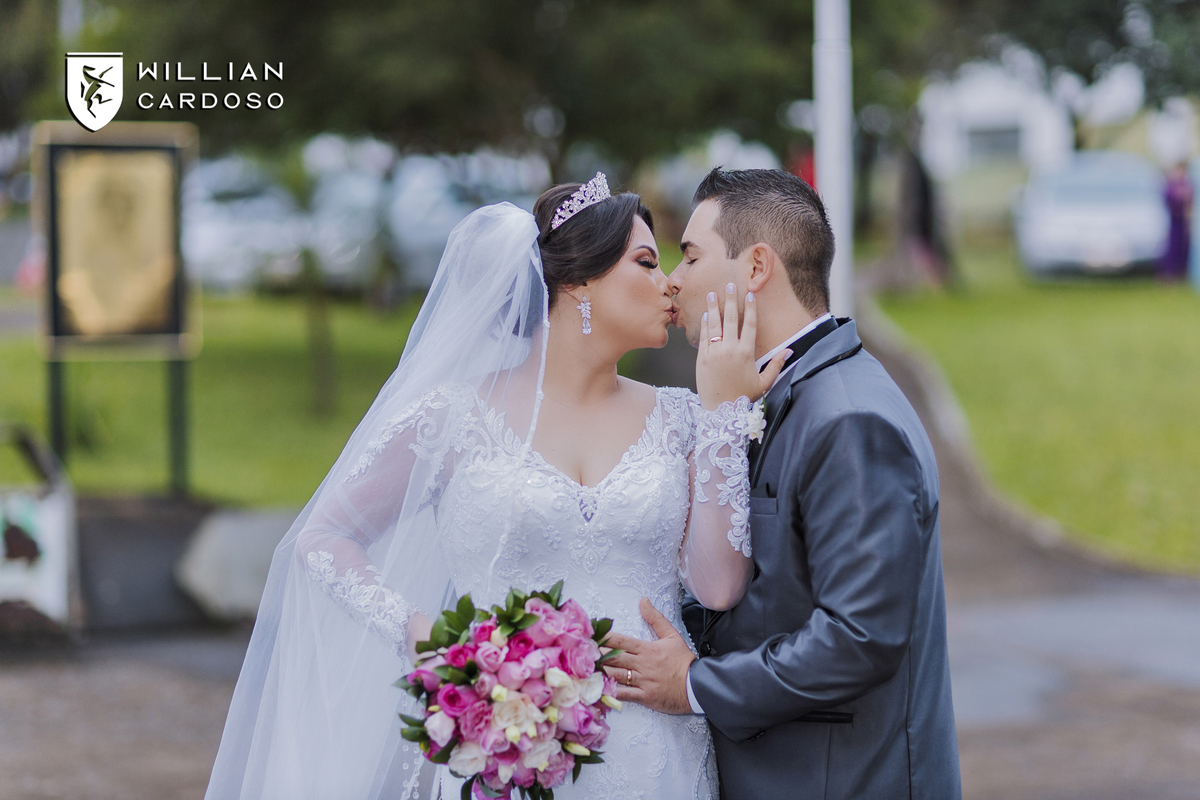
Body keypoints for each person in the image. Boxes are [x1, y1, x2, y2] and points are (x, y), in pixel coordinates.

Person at [204, 174, 789, 800]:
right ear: (579, 281)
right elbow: (323, 537)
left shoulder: (683, 418)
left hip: (656, 750)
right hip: (507, 747)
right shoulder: (454, 418)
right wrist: (421, 634)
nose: (670, 282)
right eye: (646, 262)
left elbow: (718, 586)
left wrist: (723, 416)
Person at [604, 168, 962, 799]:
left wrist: (692, 684)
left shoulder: (849, 420)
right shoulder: (776, 391)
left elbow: (860, 637)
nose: (674, 280)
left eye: (692, 256)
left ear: (756, 267)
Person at [1159, 161, 1193, 282]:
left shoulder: (1187, 184)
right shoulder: (1171, 186)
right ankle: (1169, 273)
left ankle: (1181, 272)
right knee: (1173, 246)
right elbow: (1168, 200)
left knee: (1184, 247)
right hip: (1175, 219)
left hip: (1185, 219)